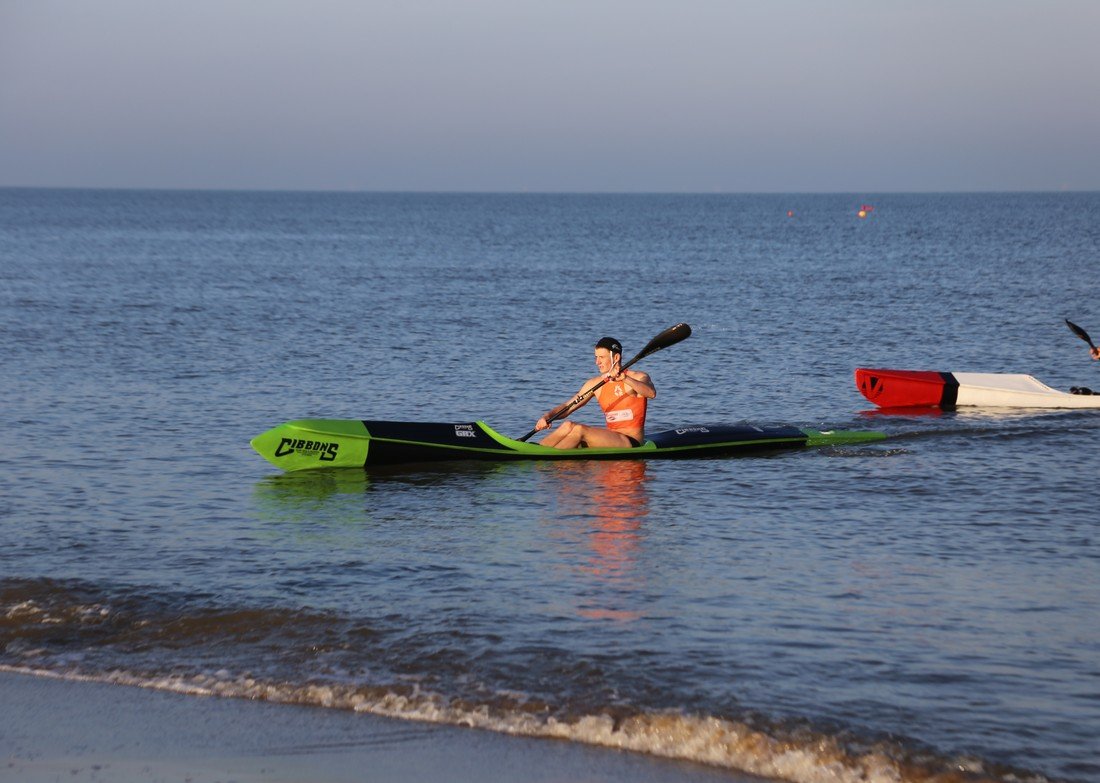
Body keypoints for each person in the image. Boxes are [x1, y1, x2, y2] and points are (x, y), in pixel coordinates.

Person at [534, 337, 656, 449]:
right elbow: (567, 407)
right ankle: (537, 449)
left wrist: (624, 378)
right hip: (609, 437)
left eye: (601, 357)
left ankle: (548, 460)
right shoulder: (595, 384)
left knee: (579, 430)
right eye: (596, 357)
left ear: (616, 357)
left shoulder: (638, 377)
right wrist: (547, 417)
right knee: (568, 425)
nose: (597, 362)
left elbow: (651, 393)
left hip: (631, 441)